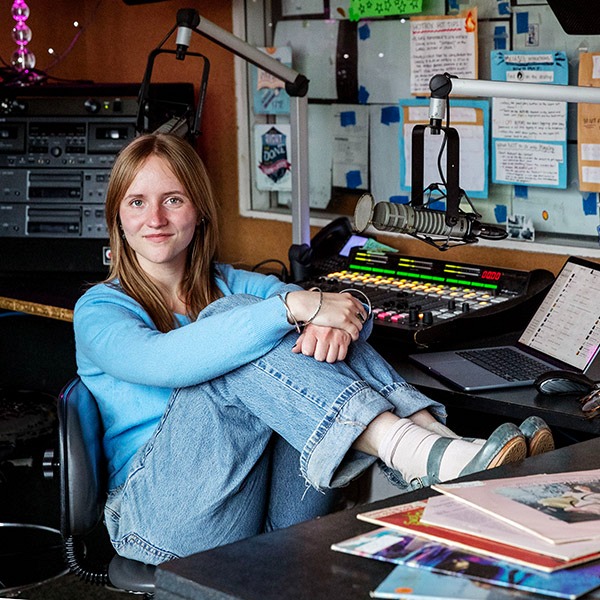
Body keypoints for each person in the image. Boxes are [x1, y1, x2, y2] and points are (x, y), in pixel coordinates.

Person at [73, 133, 554, 566]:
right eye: (136, 202)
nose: (154, 219)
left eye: (172, 199)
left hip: (265, 508)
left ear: (198, 209)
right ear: (117, 213)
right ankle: (419, 450)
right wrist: (291, 308)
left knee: (275, 322)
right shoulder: (99, 310)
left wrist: (337, 317)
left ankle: (433, 443)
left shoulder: (228, 282)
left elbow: (334, 308)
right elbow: (166, 361)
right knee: (232, 321)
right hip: (157, 521)